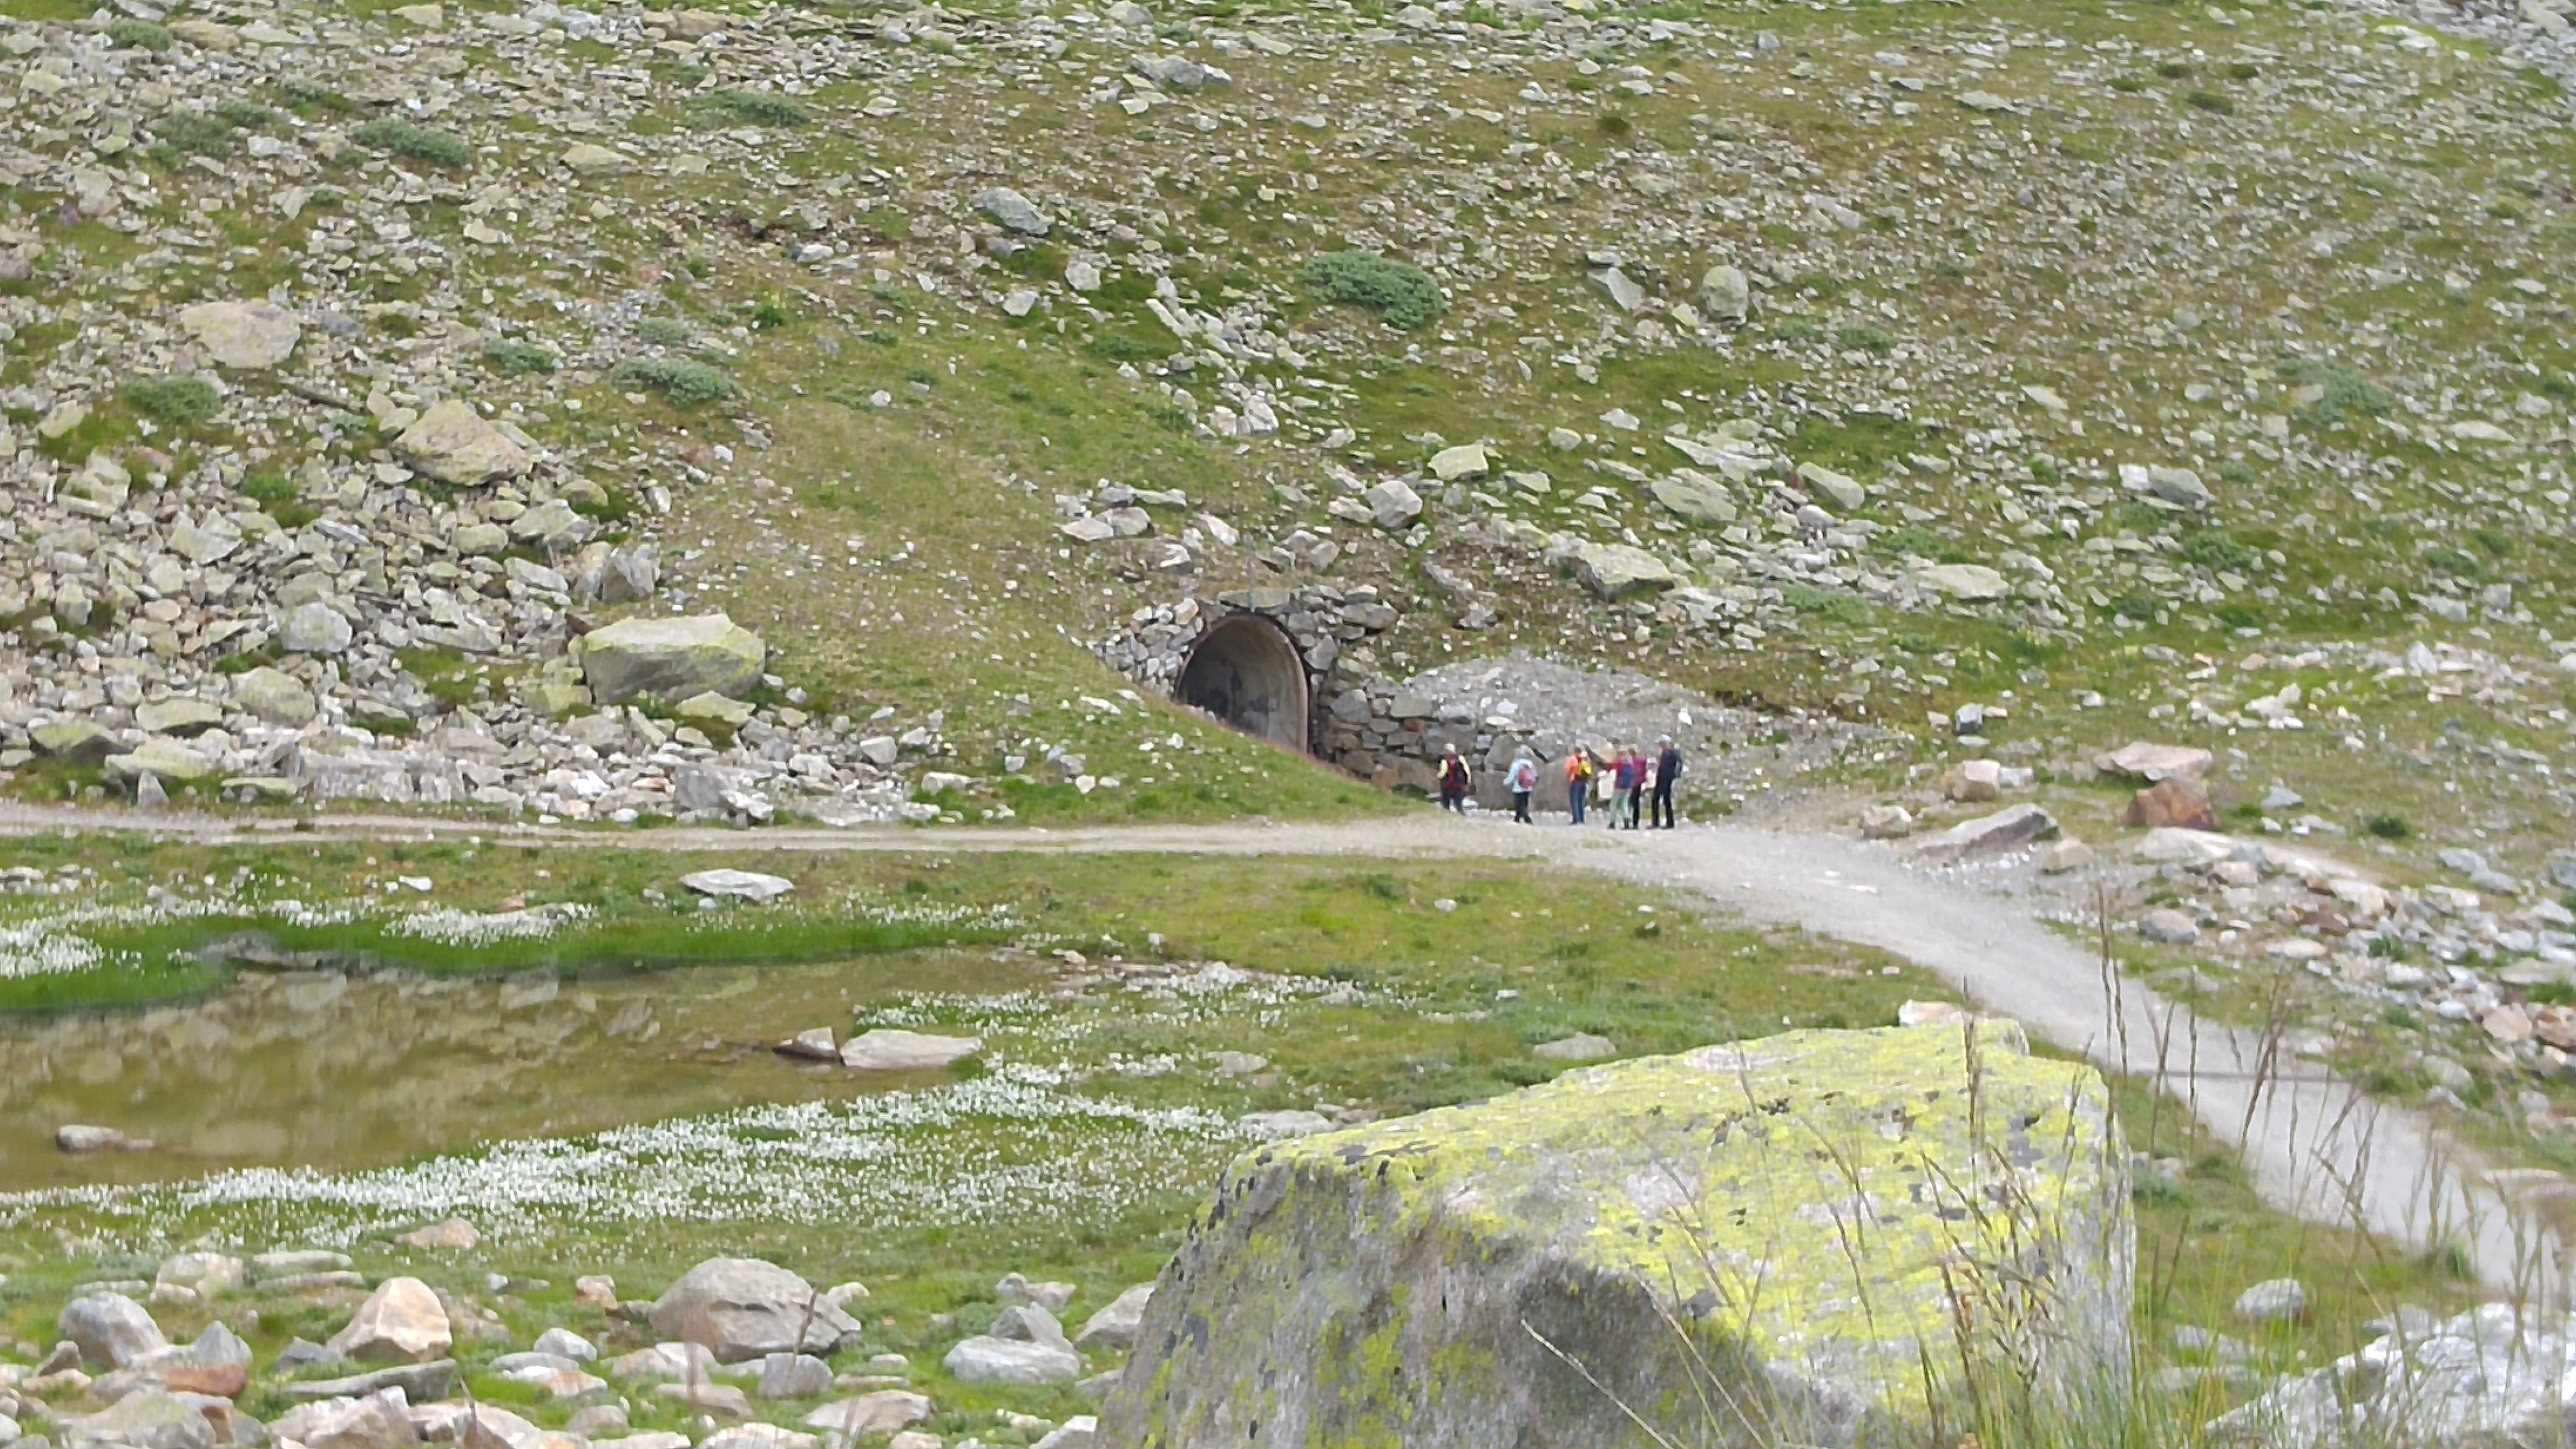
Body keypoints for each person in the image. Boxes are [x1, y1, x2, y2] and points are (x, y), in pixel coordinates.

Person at [1652, 734, 1682, 829]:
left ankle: (1670, 823)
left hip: (1667, 779)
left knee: (1666, 800)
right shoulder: (1664, 754)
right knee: (1656, 799)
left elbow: (1678, 765)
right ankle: (1656, 822)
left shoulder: (1673, 754)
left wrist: (1674, 776)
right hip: (1661, 779)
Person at [1563, 744, 1595, 826]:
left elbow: (1567, 769)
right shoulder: (1585, 759)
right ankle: (1582, 819)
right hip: (1584, 781)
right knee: (1581, 801)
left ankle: (1576, 819)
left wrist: (1569, 777)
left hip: (1575, 781)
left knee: (1574, 801)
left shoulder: (1573, 759)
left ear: (1575, 751)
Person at [1615, 744, 1645, 830]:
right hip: (1638, 783)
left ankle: (1628, 821)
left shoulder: (1628, 761)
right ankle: (1635, 823)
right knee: (1636, 804)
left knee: (1627, 803)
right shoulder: (1642, 760)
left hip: (1629, 784)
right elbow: (1643, 771)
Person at [1437, 744, 1470, 813]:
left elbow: (1443, 772)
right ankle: (1463, 816)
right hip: (1459, 786)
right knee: (1459, 804)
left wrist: (1438, 776)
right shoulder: (1461, 758)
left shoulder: (1445, 761)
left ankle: (1447, 816)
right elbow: (1467, 772)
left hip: (1448, 787)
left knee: (1446, 804)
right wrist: (1467, 783)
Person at [1507, 748, 1537, 823]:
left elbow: (1512, 776)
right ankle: (1518, 818)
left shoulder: (1515, 765)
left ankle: (1525, 818)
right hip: (1528, 787)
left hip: (1518, 788)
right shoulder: (1530, 764)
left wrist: (1506, 782)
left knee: (1519, 804)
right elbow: (1534, 775)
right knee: (1525, 803)